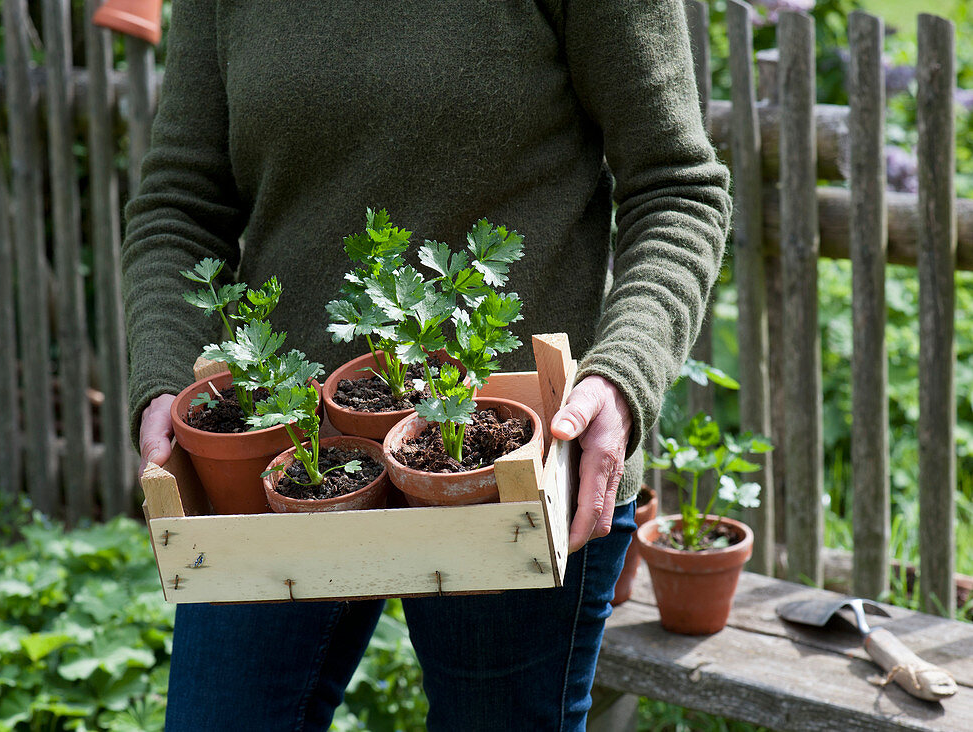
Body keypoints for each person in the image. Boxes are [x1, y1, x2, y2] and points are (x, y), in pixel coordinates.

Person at [122, 0, 730, 729]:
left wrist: (623, 372)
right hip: (281, 452)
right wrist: (162, 379)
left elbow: (676, 187)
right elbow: (180, 203)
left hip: (511, 457)